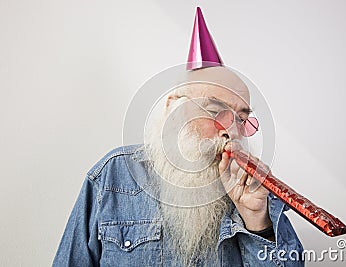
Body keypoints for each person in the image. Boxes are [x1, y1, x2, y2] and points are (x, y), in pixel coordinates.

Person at [53, 7, 304, 267]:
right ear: (174, 107)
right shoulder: (113, 175)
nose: (231, 131)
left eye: (241, 119)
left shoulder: (252, 189)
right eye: (216, 111)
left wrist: (257, 222)